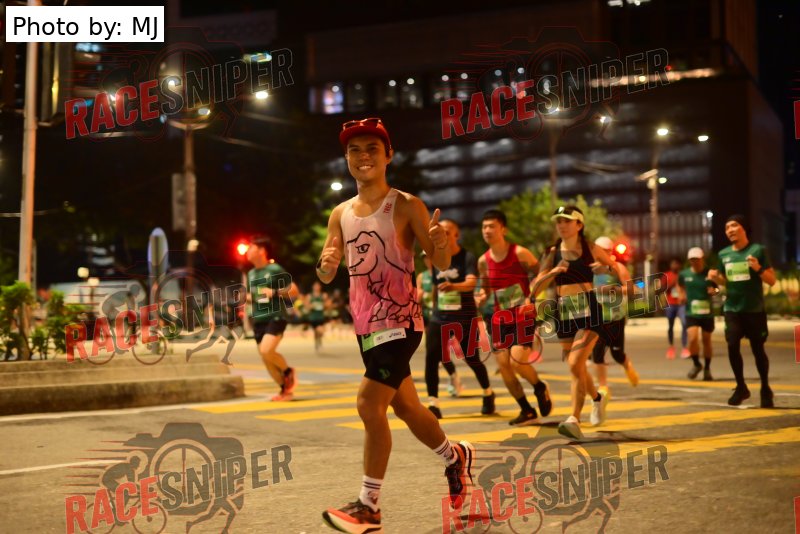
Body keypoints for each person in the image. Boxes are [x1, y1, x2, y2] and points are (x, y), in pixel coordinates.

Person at [317, 117, 474, 532]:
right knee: (406, 407)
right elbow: (327, 272)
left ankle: (369, 506)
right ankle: (454, 456)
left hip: (401, 322)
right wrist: (326, 266)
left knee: (369, 404)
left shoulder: (405, 205)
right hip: (366, 327)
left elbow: (440, 262)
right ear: (346, 158)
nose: (363, 156)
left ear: (389, 156)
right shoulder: (339, 213)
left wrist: (439, 246)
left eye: (372, 148)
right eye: (354, 150)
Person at [532, 206, 630, 441]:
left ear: (579, 225)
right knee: (575, 366)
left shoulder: (590, 248)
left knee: (576, 362)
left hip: (589, 312)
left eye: (567, 221)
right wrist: (552, 273)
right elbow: (536, 287)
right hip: (564, 312)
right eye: (559, 221)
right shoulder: (552, 252)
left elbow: (617, 268)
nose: (561, 225)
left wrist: (606, 268)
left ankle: (574, 419)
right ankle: (597, 398)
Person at [477, 209, 552, 426]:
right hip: (499, 319)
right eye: (484, 227)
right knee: (504, 366)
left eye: (492, 226)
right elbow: (487, 288)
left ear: (503, 229)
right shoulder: (483, 261)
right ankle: (526, 410)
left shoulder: (519, 253)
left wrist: (531, 297)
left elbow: (541, 275)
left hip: (522, 315)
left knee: (517, 361)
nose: (487, 230)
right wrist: (481, 297)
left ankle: (539, 387)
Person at [424, 219, 495, 419]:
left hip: (464, 317)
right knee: (432, 357)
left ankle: (488, 393)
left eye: (447, 231)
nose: (443, 235)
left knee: (471, 358)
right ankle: (433, 403)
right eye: (440, 232)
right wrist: (432, 311)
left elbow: (471, 283)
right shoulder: (436, 257)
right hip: (439, 317)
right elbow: (436, 288)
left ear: (456, 235)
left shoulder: (467, 257)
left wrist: (454, 286)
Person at [707, 215, 777, 407]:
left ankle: (765, 388)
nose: (730, 230)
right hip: (732, 309)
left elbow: (772, 280)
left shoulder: (758, 250)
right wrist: (715, 278)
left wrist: (758, 268)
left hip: (754, 309)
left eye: (734, 225)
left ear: (744, 228)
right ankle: (741, 387)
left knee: (758, 349)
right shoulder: (723, 254)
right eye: (727, 227)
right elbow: (725, 282)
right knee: (732, 345)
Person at [245, 236, 300, 401]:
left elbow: (294, 290)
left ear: (262, 251)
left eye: (251, 248)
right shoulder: (251, 273)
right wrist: (248, 297)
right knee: (266, 359)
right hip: (259, 318)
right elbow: (254, 295)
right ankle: (285, 391)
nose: (248, 251)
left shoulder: (275, 269)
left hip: (276, 316)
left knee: (266, 350)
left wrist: (274, 292)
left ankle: (288, 371)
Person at [590, 236, 638, 398]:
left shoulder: (618, 268)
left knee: (617, 354)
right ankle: (603, 387)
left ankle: (628, 366)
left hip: (615, 316)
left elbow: (632, 289)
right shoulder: (589, 269)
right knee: (597, 353)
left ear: (610, 252)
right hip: (597, 318)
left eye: (604, 251)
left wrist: (613, 290)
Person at [417, 250, 463, 401]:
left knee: (439, 351)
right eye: (425, 258)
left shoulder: (444, 273)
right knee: (435, 352)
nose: (427, 260)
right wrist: (418, 295)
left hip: (444, 317)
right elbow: (416, 295)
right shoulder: (422, 277)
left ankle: (453, 377)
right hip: (428, 317)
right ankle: (453, 376)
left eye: (429, 257)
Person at [679, 247, 718, 381]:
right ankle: (696, 364)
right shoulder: (684, 274)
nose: (694, 262)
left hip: (707, 313)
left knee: (706, 340)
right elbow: (680, 286)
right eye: (692, 259)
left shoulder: (710, 273)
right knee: (692, 339)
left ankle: (707, 368)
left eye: (697, 259)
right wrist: (682, 295)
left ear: (702, 259)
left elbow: (717, 289)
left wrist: (714, 291)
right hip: (692, 312)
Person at [664, 258, 689, 359]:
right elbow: (661, 288)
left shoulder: (684, 275)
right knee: (671, 325)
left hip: (681, 303)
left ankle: (685, 347)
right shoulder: (667, 275)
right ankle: (671, 347)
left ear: (680, 265)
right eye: (672, 264)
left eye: (676, 264)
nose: (674, 266)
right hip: (670, 303)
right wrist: (673, 282)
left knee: (684, 324)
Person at [307, 281, 328, 351]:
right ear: (313, 287)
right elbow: (307, 307)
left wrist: (323, 305)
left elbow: (328, 305)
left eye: (318, 286)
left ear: (320, 287)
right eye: (315, 286)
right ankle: (317, 343)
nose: (316, 287)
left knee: (318, 332)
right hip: (313, 317)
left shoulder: (324, 295)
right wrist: (311, 306)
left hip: (321, 316)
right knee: (317, 331)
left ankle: (318, 342)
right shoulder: (309, 296)